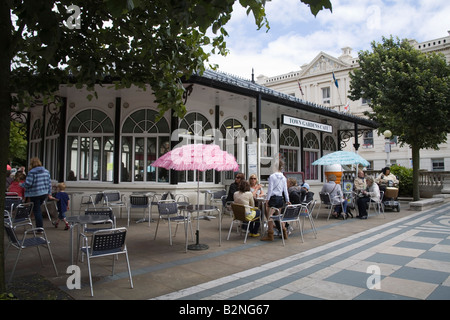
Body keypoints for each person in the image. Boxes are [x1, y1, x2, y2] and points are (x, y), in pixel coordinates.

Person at [261, 160, 290, 241]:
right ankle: (284, 232)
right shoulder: (284, 177)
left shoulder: (272, 176)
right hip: (280, 198)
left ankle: (270, 235)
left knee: (269, 216)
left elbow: (270, 189)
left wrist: (267, 199)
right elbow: (285, 190)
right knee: (279, 216)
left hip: (273, 198)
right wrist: (287, 200)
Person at [21, 157, 52, 229]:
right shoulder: (46, 172)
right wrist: (49, 193)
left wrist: (21, 184)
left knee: (37, 210)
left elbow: (28, 184)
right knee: (37, 209)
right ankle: (39, 227)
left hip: (34, 193)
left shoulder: (31, 172)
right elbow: (49, 183)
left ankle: (39, 228)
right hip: (44, 193)